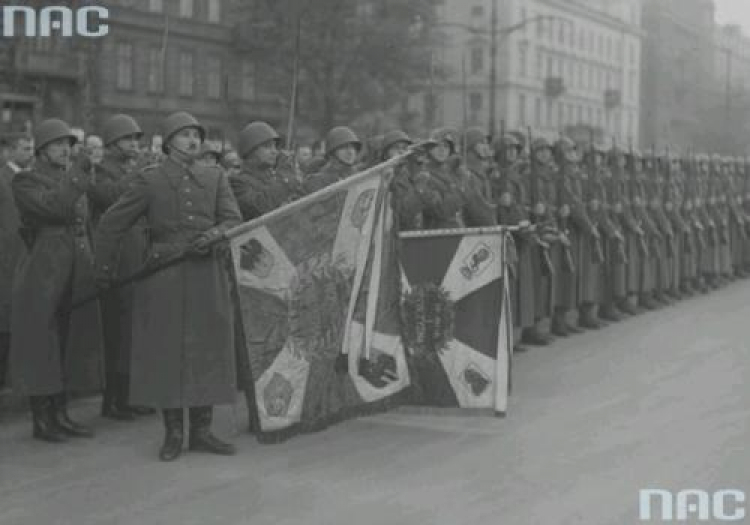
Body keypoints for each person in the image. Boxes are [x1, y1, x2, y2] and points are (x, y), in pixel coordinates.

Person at [94, 111, 242, 461]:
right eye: (185, 134)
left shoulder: (216, 176)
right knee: (168, 353)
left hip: (207, 275)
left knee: (206, 349)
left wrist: (212, 236)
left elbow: (233, 219)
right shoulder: (150, 181)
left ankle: (202, 431)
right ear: (168, 141)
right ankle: (174, 434)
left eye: (197, 134)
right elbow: (111, 225)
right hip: (164, 277)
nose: (193, 141)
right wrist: (102, 271)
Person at [10, 119, 104, 442]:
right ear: (41, 149)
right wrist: (78, 174)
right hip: (43, 269)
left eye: (68, 144)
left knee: (67, 341)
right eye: (58, 145)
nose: (65, 150)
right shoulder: (25, 181)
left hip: (73, 266)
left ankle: (60, 413)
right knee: (43, 342)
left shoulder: (68, 178)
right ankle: (42, 419)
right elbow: (57, 207)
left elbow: (83, 222)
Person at [88, 114, 155, 421]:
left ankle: (127, 395)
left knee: (133, 329)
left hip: (136, 253)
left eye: (135, 140)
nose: (135, 145)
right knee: (117, 331)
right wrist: (139, 173)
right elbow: (110, 197)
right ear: (112, 143)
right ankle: (113, 400)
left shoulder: (128, 169)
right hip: (116, 259)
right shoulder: (100, 171)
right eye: (128, 139)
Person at [0, 132, 34, 391]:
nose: (29, 152)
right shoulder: (4, 179)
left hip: (22, 256)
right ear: (11, 150)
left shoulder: (26, 178)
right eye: (24, 147)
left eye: (31, 147)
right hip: (7, 257)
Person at [303, 126, 362, 194]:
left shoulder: (361, 177)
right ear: (332, 152)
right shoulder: (317, 181)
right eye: (344, 147)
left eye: (353, 148)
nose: (350, 152)